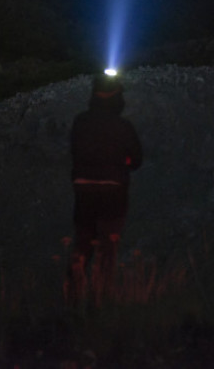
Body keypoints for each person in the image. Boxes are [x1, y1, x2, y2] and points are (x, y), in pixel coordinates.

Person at [69, 70, 142, 290]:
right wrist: (121, 163)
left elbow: (74, 152)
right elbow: (136, 160)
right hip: (113, 190)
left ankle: (72, 297)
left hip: (83, 189)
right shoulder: (123, 127)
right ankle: (100, 301)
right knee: (107, 249)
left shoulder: (81, 121)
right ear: (118, 95)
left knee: (83, 244)